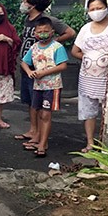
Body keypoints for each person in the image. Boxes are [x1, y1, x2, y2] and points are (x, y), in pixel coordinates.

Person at [14, 0, 76, 146]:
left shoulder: (47, 21)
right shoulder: (28, 20)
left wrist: (53, 44)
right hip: (27, 65)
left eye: (25, 1)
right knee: (31, 101)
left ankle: (40, 136)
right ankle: (33, 130)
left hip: (41, 70)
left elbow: (70, 32)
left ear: (33, 4)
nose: (22, 4)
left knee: (41, 104)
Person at [20, 17, 69, 158]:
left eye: (46, 31)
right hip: (38, 86)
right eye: (39, 31)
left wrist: (44, 73)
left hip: (52, 86)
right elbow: (24, 62)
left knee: (46, 114)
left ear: (52, 31)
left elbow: (63, 65)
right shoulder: (34, 47)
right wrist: (29, 72)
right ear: (35, 33)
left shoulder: (57, 47)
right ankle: (40, 140)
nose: (42, 34)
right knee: (39, 113)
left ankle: (42, 144)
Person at [72, 0, 108, 153]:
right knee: (89, 111)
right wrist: (91, 59)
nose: (96, 11)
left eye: (99, 8)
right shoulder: (86, 28)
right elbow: (75, 51)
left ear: (106, 8)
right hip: (87, 77)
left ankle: (106, 143)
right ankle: (90, 142)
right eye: (92, 9)